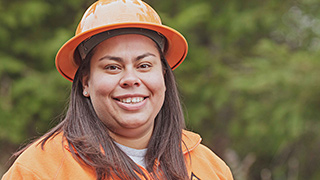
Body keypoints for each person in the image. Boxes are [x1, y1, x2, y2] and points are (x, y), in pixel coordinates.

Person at [2, 0, 233, 179]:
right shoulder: (39, 171)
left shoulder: (210, 168)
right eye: (112, 67)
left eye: (144, 65)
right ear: (86, 82)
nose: (130, 79)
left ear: (163, 75)